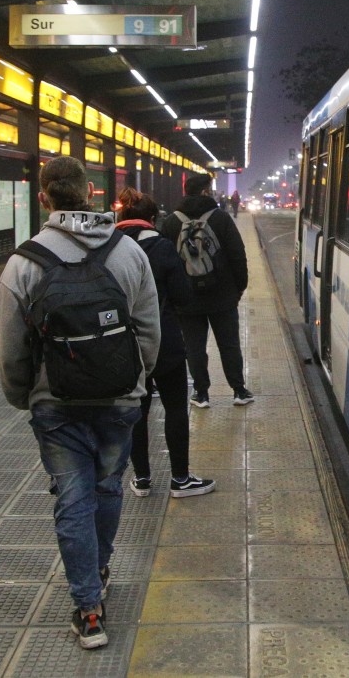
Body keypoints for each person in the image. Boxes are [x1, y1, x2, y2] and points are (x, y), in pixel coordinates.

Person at [0, 157, 160, 651]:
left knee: (72, 499)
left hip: (56, 406)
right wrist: (138, 379)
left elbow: (9, 349)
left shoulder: (24, 261)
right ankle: (100, 567)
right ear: (90, 193)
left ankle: (88, 608)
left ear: (43, 197)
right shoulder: (129, 252)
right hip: (120, 400)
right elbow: (149, 329)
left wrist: (24, 394)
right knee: (108, 488)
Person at [115, 187, 216, 499]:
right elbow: (184, 296)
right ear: (152, 218)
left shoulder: (108, 248)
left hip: (124, 345)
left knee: (137, 412)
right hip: (165, 343)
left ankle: (142, 479)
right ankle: (181, 479)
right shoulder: (161, 248)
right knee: (175, 409)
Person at [163, 172, 253, 408]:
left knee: (194, 347)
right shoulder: (221, 218)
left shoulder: (172, 221)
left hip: (186, 298)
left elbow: (167, 261)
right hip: (222, 296)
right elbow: (238, 255)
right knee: (229, 344)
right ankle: (239, 391)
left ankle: (201, 394)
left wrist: (173, 295)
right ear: (205, 191)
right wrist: (239, 288)